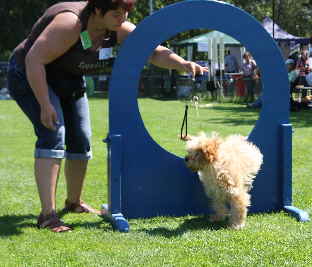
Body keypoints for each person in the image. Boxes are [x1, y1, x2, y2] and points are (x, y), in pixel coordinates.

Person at [7, 0, 207, 232]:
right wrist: (44, 103)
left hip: (68, 80)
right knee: (53, 133)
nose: (123, 16)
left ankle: (74, 202)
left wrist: (182, 63)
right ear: (97, 10)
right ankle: (48, 216)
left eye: (126, 11)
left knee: (81, 138)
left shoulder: (118, 29)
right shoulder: (71, 23)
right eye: (116, 11)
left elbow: (153, 51)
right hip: (29, 73)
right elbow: (34, 59)